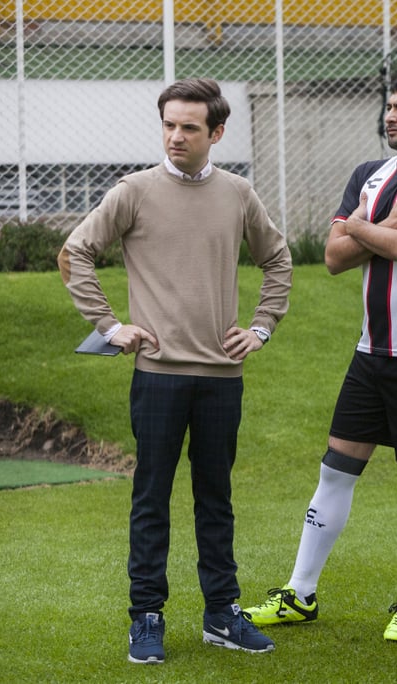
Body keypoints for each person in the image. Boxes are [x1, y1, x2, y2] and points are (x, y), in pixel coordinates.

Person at [58, 78, 292, 664]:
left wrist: (261, 327)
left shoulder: (239, 194)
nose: (176, 135)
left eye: (190, 126)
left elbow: (278, 259)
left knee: (216, 498)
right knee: (151, 498)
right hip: (157, 376)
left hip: (222, 378)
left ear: (216, 132)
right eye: (169, 124)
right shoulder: (133, 191)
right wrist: (113, 328)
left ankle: (221, 613)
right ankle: (146, 617)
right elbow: (76, 252)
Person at [243, 74, 397, 642]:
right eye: (389, 107)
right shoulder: (366, 176)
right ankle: (300, 593)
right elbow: (332, 257)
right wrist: (383, 228)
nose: (391, 116)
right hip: (370, 354)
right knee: (335, 469)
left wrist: (367, 229)